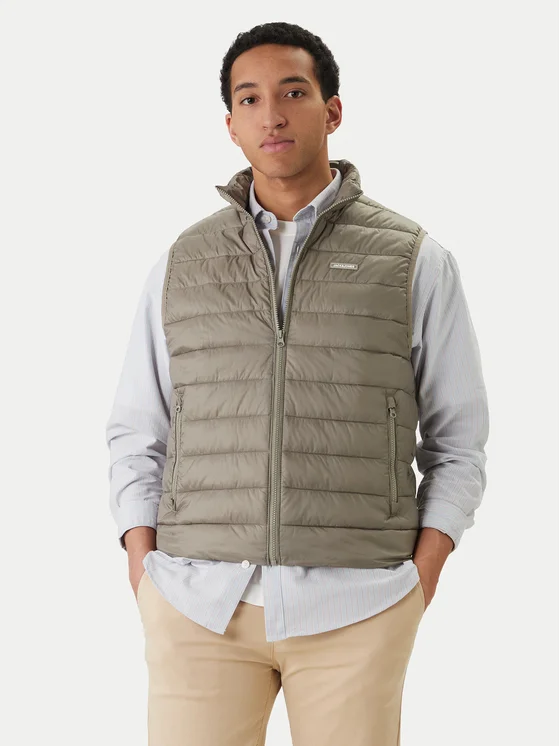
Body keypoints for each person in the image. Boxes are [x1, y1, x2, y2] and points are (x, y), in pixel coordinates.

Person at [105, 20, 489, 746]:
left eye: (293, 92)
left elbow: (459, 440)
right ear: (230, 125)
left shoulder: (412, 259)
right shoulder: (184, 262)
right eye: (248, 99)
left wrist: (420, 578)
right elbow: (137, 429)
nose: (271, 115)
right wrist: (144, 567)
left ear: (332, 110)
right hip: (197, 604)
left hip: (359, 603)